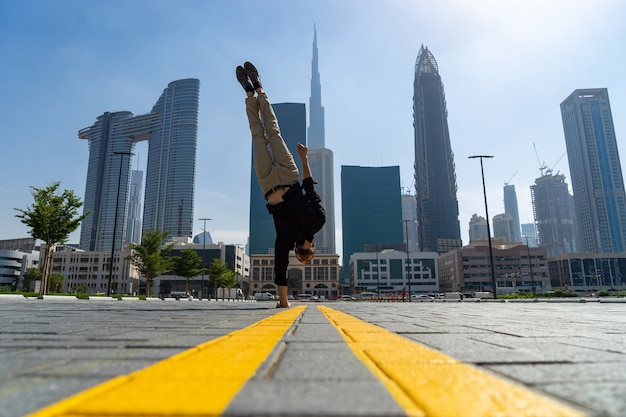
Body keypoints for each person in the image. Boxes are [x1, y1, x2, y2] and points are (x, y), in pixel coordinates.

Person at [236, 61, 326, 308]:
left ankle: (250, 94)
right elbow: (309, 188)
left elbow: (280, 265)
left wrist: (284, 302)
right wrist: (304, 159)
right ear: (310, 250)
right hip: (287, 176)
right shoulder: (317, 222)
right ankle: (260, 91)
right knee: (272, 133)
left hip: (268, 182)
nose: (303, 255)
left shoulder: (288, 238)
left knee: (258, 136)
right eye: (305, 256)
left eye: (303, 256)